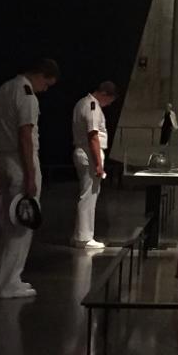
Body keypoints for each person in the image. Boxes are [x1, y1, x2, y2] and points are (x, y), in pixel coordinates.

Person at [0, 58, 59, 299]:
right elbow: (25, 136)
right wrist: (30, 174)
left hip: (2, 157)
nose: (45, 89)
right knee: (23, 222)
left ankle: (4, 279)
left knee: (10, 222)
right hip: (20, 161)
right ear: (41, 74)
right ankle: (10, 282)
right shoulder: (27, 95)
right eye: (47, 84)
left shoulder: (5, 88)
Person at [71, 81, 117, 249]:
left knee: (87, 195)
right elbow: (93, 136)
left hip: (85, 152)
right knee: (89, 197)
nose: (109, 104)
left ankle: (79, 234)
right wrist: (98, 163)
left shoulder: (82, 103)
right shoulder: (92, 107)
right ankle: (84, 237)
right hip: (89, 154)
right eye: (109, 100)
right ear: (104, 94)